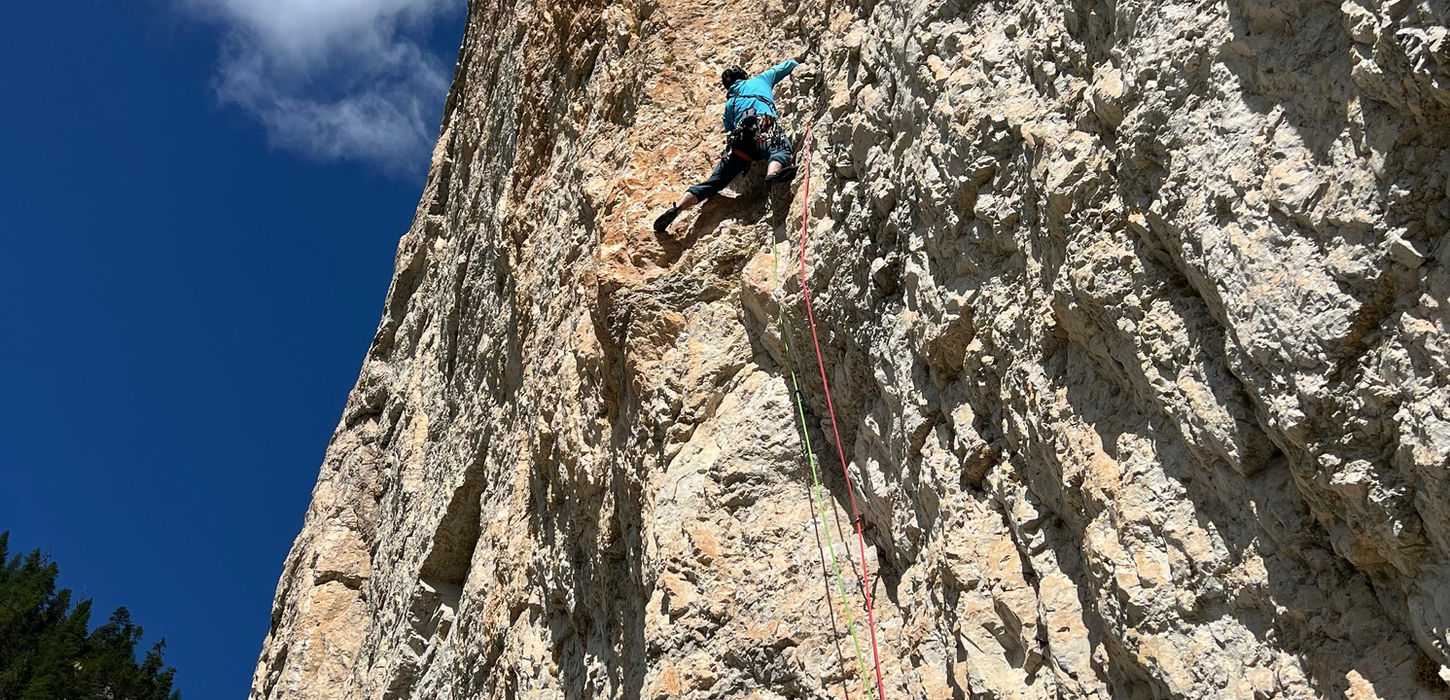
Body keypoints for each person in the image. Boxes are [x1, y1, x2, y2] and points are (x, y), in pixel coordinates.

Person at [653, 60, 800, 233]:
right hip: (763, 126)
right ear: (745, 76)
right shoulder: (761, 80)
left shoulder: (730, 104)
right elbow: (790, 64)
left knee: (715, 182)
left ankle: (678, 207)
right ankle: (773, 174)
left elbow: (730, 131)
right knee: (779, 149)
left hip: (740, 144)